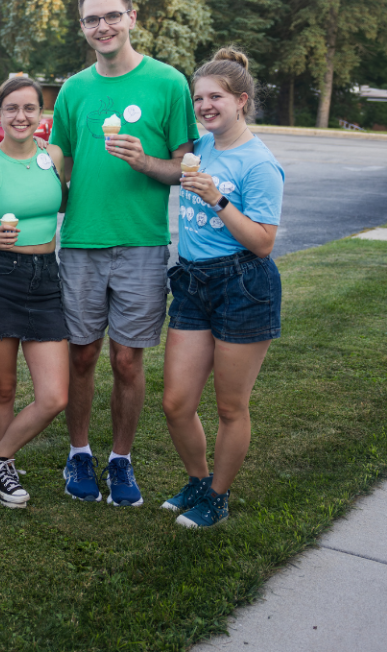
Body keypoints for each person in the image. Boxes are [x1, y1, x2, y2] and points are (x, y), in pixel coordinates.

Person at [50, 0, 199, 506]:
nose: (103, 27)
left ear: (132, 17)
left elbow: (186, 166)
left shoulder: (168, 83)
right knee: (84, 354)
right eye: (92, 20)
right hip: (82, 242)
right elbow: (57, 167)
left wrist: (146, 162)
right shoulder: (74, 90)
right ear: (83, 28)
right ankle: (79, 453)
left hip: (142, 242)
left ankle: (121, 459)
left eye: (112, 16)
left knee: (128, 361)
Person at [162, 48, 284, 528]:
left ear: (241, 100)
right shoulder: (204, 146)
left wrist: (217, 198)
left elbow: (263, 243)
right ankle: (197, 478)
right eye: (199, 98)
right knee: (176, 402)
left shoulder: (259, 164)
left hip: (242, 285)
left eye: (215, 97)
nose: (205, 105)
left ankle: (218, 496)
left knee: (230, 406)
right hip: (193, 282)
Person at [0, 77, 69, 508]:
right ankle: (4, 467)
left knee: (54, 395)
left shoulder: (53, 155)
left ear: (40, 115)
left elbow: (62, 202)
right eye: (12, 109)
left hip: (46, 276)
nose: (21, 117)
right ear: (0, 113)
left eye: (29, 108)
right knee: (3, 387)